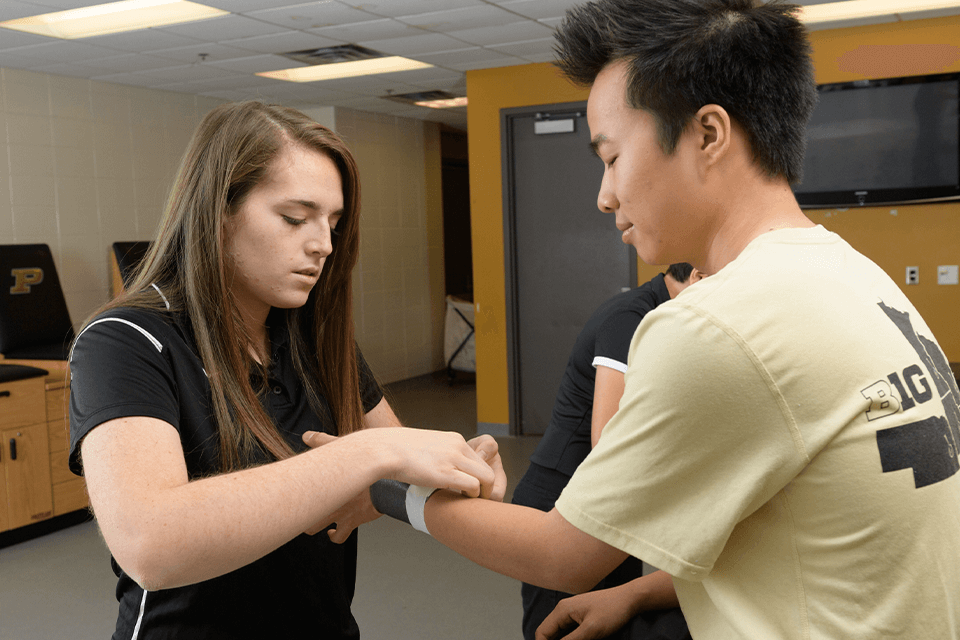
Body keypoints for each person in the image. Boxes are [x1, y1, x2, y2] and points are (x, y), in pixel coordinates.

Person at [337, 1, 960, 638]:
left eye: (611, 157)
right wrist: (637, 593)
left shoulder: (717, 325)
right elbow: (809, 524)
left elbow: (564, 554)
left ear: (708, 135)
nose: (604, 194)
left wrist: (382, 482)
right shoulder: (854, 274)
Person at [67, 101, 504, 640]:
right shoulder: (125, 341)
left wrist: (460, 475)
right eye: (295, 218)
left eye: (333, 223)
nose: (322, 243)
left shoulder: (312, 339)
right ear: (218, 212)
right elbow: (149, 544)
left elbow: (392, 475)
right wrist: (363, 455)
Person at [512, 263, 701, 640]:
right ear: (698, 275)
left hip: (613, 505)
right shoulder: (630, 317)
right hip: (562, 496)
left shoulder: (669, 317)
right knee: (556, 629)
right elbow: (607, 439)